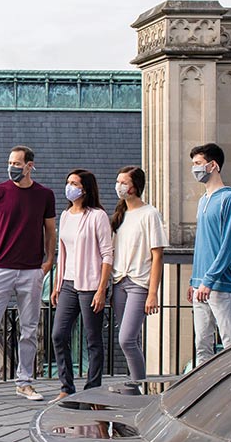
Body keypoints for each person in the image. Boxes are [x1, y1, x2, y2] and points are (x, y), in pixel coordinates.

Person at [0, 146, 56, 403]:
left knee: (29, 330)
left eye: (17, 163)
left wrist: (48, 263)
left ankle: (24, 382)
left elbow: (51, 231)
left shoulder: (44, 195)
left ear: (30, 166)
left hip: (31, 272)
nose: (12, 167)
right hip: (1, 270)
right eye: (10, 162)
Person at [50, 169, 113, 400]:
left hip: (90, 285)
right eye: (68, 182)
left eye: (74, 183)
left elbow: (107, 254)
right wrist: (57, 284)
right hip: (68, 283)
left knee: (93, 339)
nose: (69, 187)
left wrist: (101, 289)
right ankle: (66, 387)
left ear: (85, 189)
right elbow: (62, 253)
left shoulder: (97, 216)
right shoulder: (66, 215)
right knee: (58, 334)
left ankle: (92, 388)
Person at [109, 166, 167, 392]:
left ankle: (136, 389)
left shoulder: (150, 214)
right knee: (131, 339)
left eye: (123, 182)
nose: (119, 186)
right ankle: (135, 382)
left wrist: (153, 293)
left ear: (135, 187)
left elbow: (157, 255)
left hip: (138, 283)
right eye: (118, 181)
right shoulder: (120, 215)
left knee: (126, 339)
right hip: (119, 282)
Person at [188, 143, 231, 366]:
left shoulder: (229, 200)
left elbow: (229, 245)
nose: (195, 169)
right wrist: (195, 280)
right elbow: (202, 244)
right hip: (201, 285)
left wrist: (209, 280)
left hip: (221, 285)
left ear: (214, 165)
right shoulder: (203, 200)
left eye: (198, 164)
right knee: (202, 344)